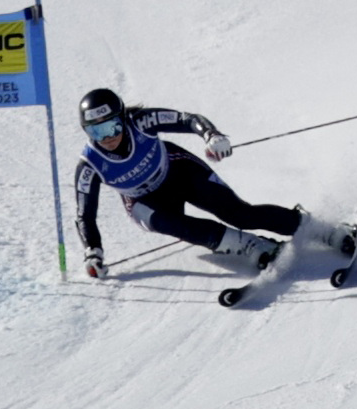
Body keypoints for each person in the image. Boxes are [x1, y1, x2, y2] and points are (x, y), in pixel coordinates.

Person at [74, 87, 342, 278]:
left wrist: (211, 135)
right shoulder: (90, 165)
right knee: (172, 223)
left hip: (178, 171)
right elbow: (85, 215)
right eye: (95, 131)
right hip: (146, 201)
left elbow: (186, 119)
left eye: (111, 127)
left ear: (122, 118)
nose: (106, 137)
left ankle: (319, 229)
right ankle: (251, 247)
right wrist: (93, 253)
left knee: (239, 214)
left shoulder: (140, 122)